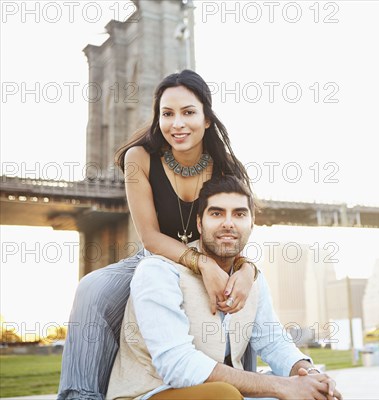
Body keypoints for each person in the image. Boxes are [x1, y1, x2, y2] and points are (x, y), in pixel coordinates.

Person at [58, 70, 258, 399]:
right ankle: (81, 394)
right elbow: (149, 236)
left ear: (207, 118)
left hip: (213, 258)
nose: (177, 123)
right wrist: (202, 265)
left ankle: (242, 381)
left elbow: (236, 230)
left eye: (188, 112)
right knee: (92, 287)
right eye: (167, 114)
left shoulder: (227, 167)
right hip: (154, 258)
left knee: (237, 295)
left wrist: (248, 270)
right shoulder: (139, 158)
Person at [107, 175, 343, 400]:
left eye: (239, 214)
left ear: (252, 223)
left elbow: (274, 341)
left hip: (221, 393)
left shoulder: (251, 278)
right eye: (217, 213)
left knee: (314, 395)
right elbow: (177, 366)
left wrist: (309, 376)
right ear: (200, 223)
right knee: (225, 395)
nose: (228, 223)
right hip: (150, 392)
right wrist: (282, 386)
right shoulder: (159, 271)